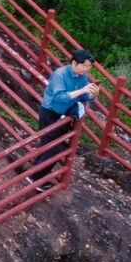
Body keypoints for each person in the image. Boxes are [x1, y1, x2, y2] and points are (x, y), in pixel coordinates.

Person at [33, 49, 97, 185]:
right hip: (50, 112)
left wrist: (92, 94)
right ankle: (36, 178)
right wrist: (82, 91)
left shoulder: (82, 77)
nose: (87, 69)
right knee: (52, 147)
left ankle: (35, 173)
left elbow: (86, 97)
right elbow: (59, 97)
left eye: (89, 67)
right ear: (74, 63)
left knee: (53, 146)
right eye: (85, 66)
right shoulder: (60, 74)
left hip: (64, 114)